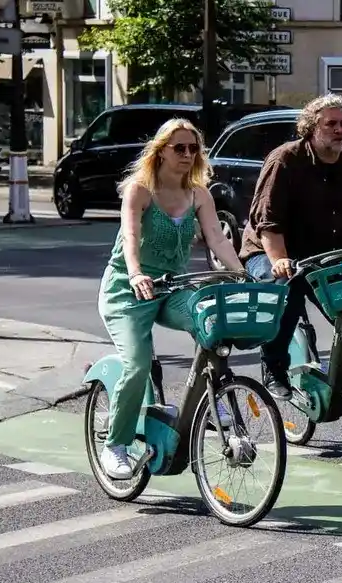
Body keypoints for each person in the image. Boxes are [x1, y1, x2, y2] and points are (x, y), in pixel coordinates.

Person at [97, 118, 245, 480]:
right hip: (128, 290)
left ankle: (212, 399)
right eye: (179, 147)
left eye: (193, 148)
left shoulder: (198, 193)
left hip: (172, 287)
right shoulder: (140, 190)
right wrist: (135, 273)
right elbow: (130, 236)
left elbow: (217, 238)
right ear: (161, 151)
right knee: (137, 365)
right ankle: (115, 445)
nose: (187, 154)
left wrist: (242, 273)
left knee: (210, 322)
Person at [240, 94, 342, 419]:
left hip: (328, 253)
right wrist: (279, 260)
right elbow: (268, 223)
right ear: (311, 127)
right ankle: (274, 368)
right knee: (286, 291)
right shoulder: (285, 160)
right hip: (275, 249)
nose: (339, 130)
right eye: (331, 124)